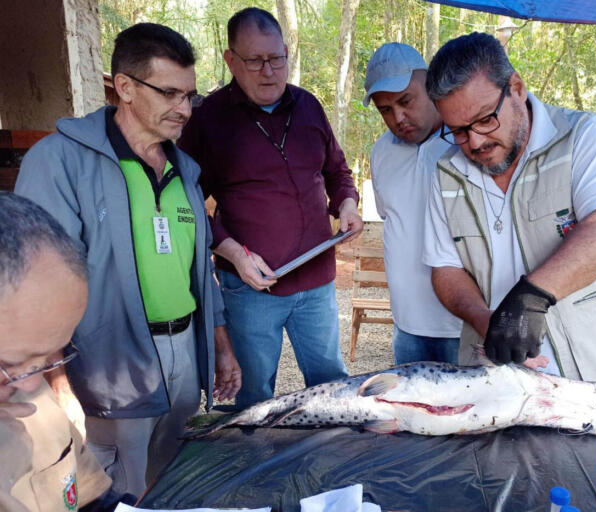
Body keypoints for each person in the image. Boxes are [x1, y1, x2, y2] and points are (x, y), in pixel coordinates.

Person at [14, 24, 241, 497]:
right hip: (106, 364)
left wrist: (219, 345)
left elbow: (197, 269)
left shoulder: (186, 171)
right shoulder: (60, 162)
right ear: (126, 88)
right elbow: (37, 285)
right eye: (171, 93)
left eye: (191, 96)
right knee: (113, 489)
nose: (184, 109)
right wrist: (56, 381)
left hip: (183, 355)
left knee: (169, 478)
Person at [423, 32, 596, 402]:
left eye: (485, 120)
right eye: (457, 130)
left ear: (516, 88)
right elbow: (445, 269)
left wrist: (531, 298)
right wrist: (485, 320)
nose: (474, 142)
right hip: (498, 379)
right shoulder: (448, 171)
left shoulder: (584, 137)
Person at [178, 8, 362, 409]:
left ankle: (333, 467)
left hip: (316, 283)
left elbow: (337, 171)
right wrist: (231, 251)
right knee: (253, 394)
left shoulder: (309, 107)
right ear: (230, 60)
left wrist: (346, 203)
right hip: (250, 290)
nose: (268, 71)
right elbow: (184, 205)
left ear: (287, 52)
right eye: (255, 60)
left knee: (331, 386)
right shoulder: (208, 120)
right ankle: (253, 467)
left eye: (277, 58)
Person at [0, 192, 124, 511]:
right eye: (9, 364)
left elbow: (92, 498)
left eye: (50, 358)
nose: (31, 384)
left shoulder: (32, 395)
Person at [363, 43, 462, 365]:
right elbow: (391, 217)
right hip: (406, 326)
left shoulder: (467, 143)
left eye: (406, 101)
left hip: (463, 325)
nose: (399, 118)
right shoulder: (381, 152)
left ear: (430, 84)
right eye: (385, 110)